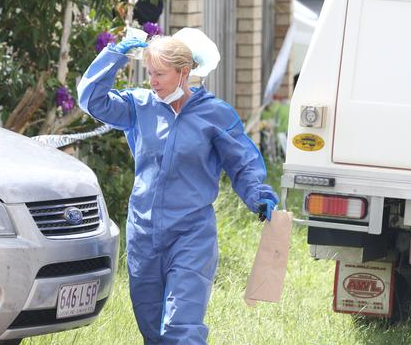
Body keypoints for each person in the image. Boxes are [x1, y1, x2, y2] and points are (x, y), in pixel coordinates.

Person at [77, 29, 279, 345]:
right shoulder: (138, 106)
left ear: (184, 72)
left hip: (191, 235)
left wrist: (259, 196)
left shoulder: (214, 114)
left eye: (160, 73)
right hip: (144, 235)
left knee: (181, 327)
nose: (152, 81)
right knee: (152, 330)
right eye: (149, 74)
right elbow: (91, 99)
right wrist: (114, 56)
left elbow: (242, 162)